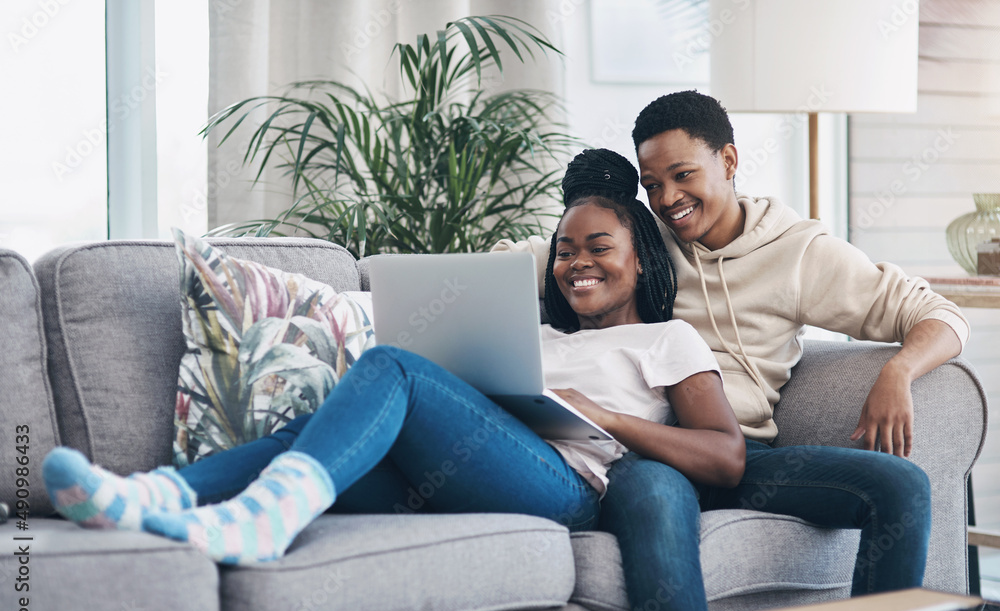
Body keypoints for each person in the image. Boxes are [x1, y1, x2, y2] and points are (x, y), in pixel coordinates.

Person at [41, 148, 745, 568]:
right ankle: (154, 495)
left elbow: (726, 456)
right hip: (475, 466)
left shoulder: (666, 338)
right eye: (564, 249)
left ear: (640, 257)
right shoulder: (539, 334)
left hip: (564, 486)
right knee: (313, 434)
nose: (576, 262)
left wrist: (603, 416)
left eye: (598, 247)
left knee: (394, 366)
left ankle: (262, 523)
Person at [493, 90, 968, 611]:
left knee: (901, 485)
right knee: (652, 487)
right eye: (653, 185)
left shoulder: (800, 254)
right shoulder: (642, 242)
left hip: (739, 456)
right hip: (641, 449)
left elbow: (940, 315)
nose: (668, 198)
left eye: (682, 175)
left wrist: (897, 371)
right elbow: (527, 262)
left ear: (729, 160)